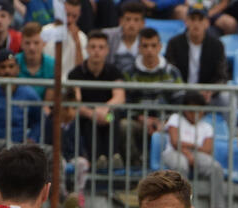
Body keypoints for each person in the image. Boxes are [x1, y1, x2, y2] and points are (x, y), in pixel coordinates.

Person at [120, 26, 183, 167]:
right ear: (139, 48)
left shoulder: (172, 72)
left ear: (160, 47)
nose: (149, 50)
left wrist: (165, 123)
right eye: (145, 46)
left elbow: (180, 104)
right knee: (123, 125)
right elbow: (125, 104)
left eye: (153, 46)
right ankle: (134, 168)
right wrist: (141, 118)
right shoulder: (129, 73)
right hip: (139, 121)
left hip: (167, 123)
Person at [160, 91, 225, 208]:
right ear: (185, 110)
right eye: (192, 111)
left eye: (199, 111)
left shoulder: (207, 127)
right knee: (181, 165)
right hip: (174, 153)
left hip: (196, 155)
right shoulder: (175, 119)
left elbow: (207, 149)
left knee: (216, 168)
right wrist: (191, 148)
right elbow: (175, 142)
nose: (196, 114)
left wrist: (186, 147)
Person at [67, 30, 125, 170]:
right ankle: (97, 158)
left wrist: (104, 109)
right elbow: (76, 101)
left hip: (107, 113)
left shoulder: (114, 71)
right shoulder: (75, 73)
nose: (96, 51)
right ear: (87, 49)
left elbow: (119, 96)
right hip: (87, 116)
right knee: (89, 122)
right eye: (93, 47)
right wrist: (92, 113)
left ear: (107, 50)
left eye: (101, 47)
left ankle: (114, 156)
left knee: (113, 117)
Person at [0, 49, 42, 145]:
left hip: (20, 146)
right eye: (2, 67)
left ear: (18, 69)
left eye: (11, 66)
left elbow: (40, 120)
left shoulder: (29, 94)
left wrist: (31, 139)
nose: (7, 71)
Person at [164, 4, 227, 103]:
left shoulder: (217, 45)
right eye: (193, 19)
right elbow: (170, 72)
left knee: (226, 98)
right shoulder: (174, 43)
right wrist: (184, 90)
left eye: (200, 19)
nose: (196, 23)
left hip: (208, 95)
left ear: (207, 23)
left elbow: (221, 76)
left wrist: (210, 91)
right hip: (181, 92)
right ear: (186, 22)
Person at [41, 0, 86, 80]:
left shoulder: (82, 37)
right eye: (67, 15)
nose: (69, 20)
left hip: (70, 84)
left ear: (79, 15)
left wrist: (77, 43)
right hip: (48, 81)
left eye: (74, 16)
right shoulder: (45, 31)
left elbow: (82, 70)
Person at [16, 21, 55, 101]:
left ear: (44, 43)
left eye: (36, 43)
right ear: (21, 44)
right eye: (27, 43)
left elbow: (48, 103)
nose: (32, 48)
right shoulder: (14, 62)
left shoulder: (52, 64)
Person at [103, 0, 143, 72]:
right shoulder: (107, 36)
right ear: (121, 21)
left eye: (136, 20)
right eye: (128, 19)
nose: (131, 24)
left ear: (143, 23)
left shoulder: (147, 39)